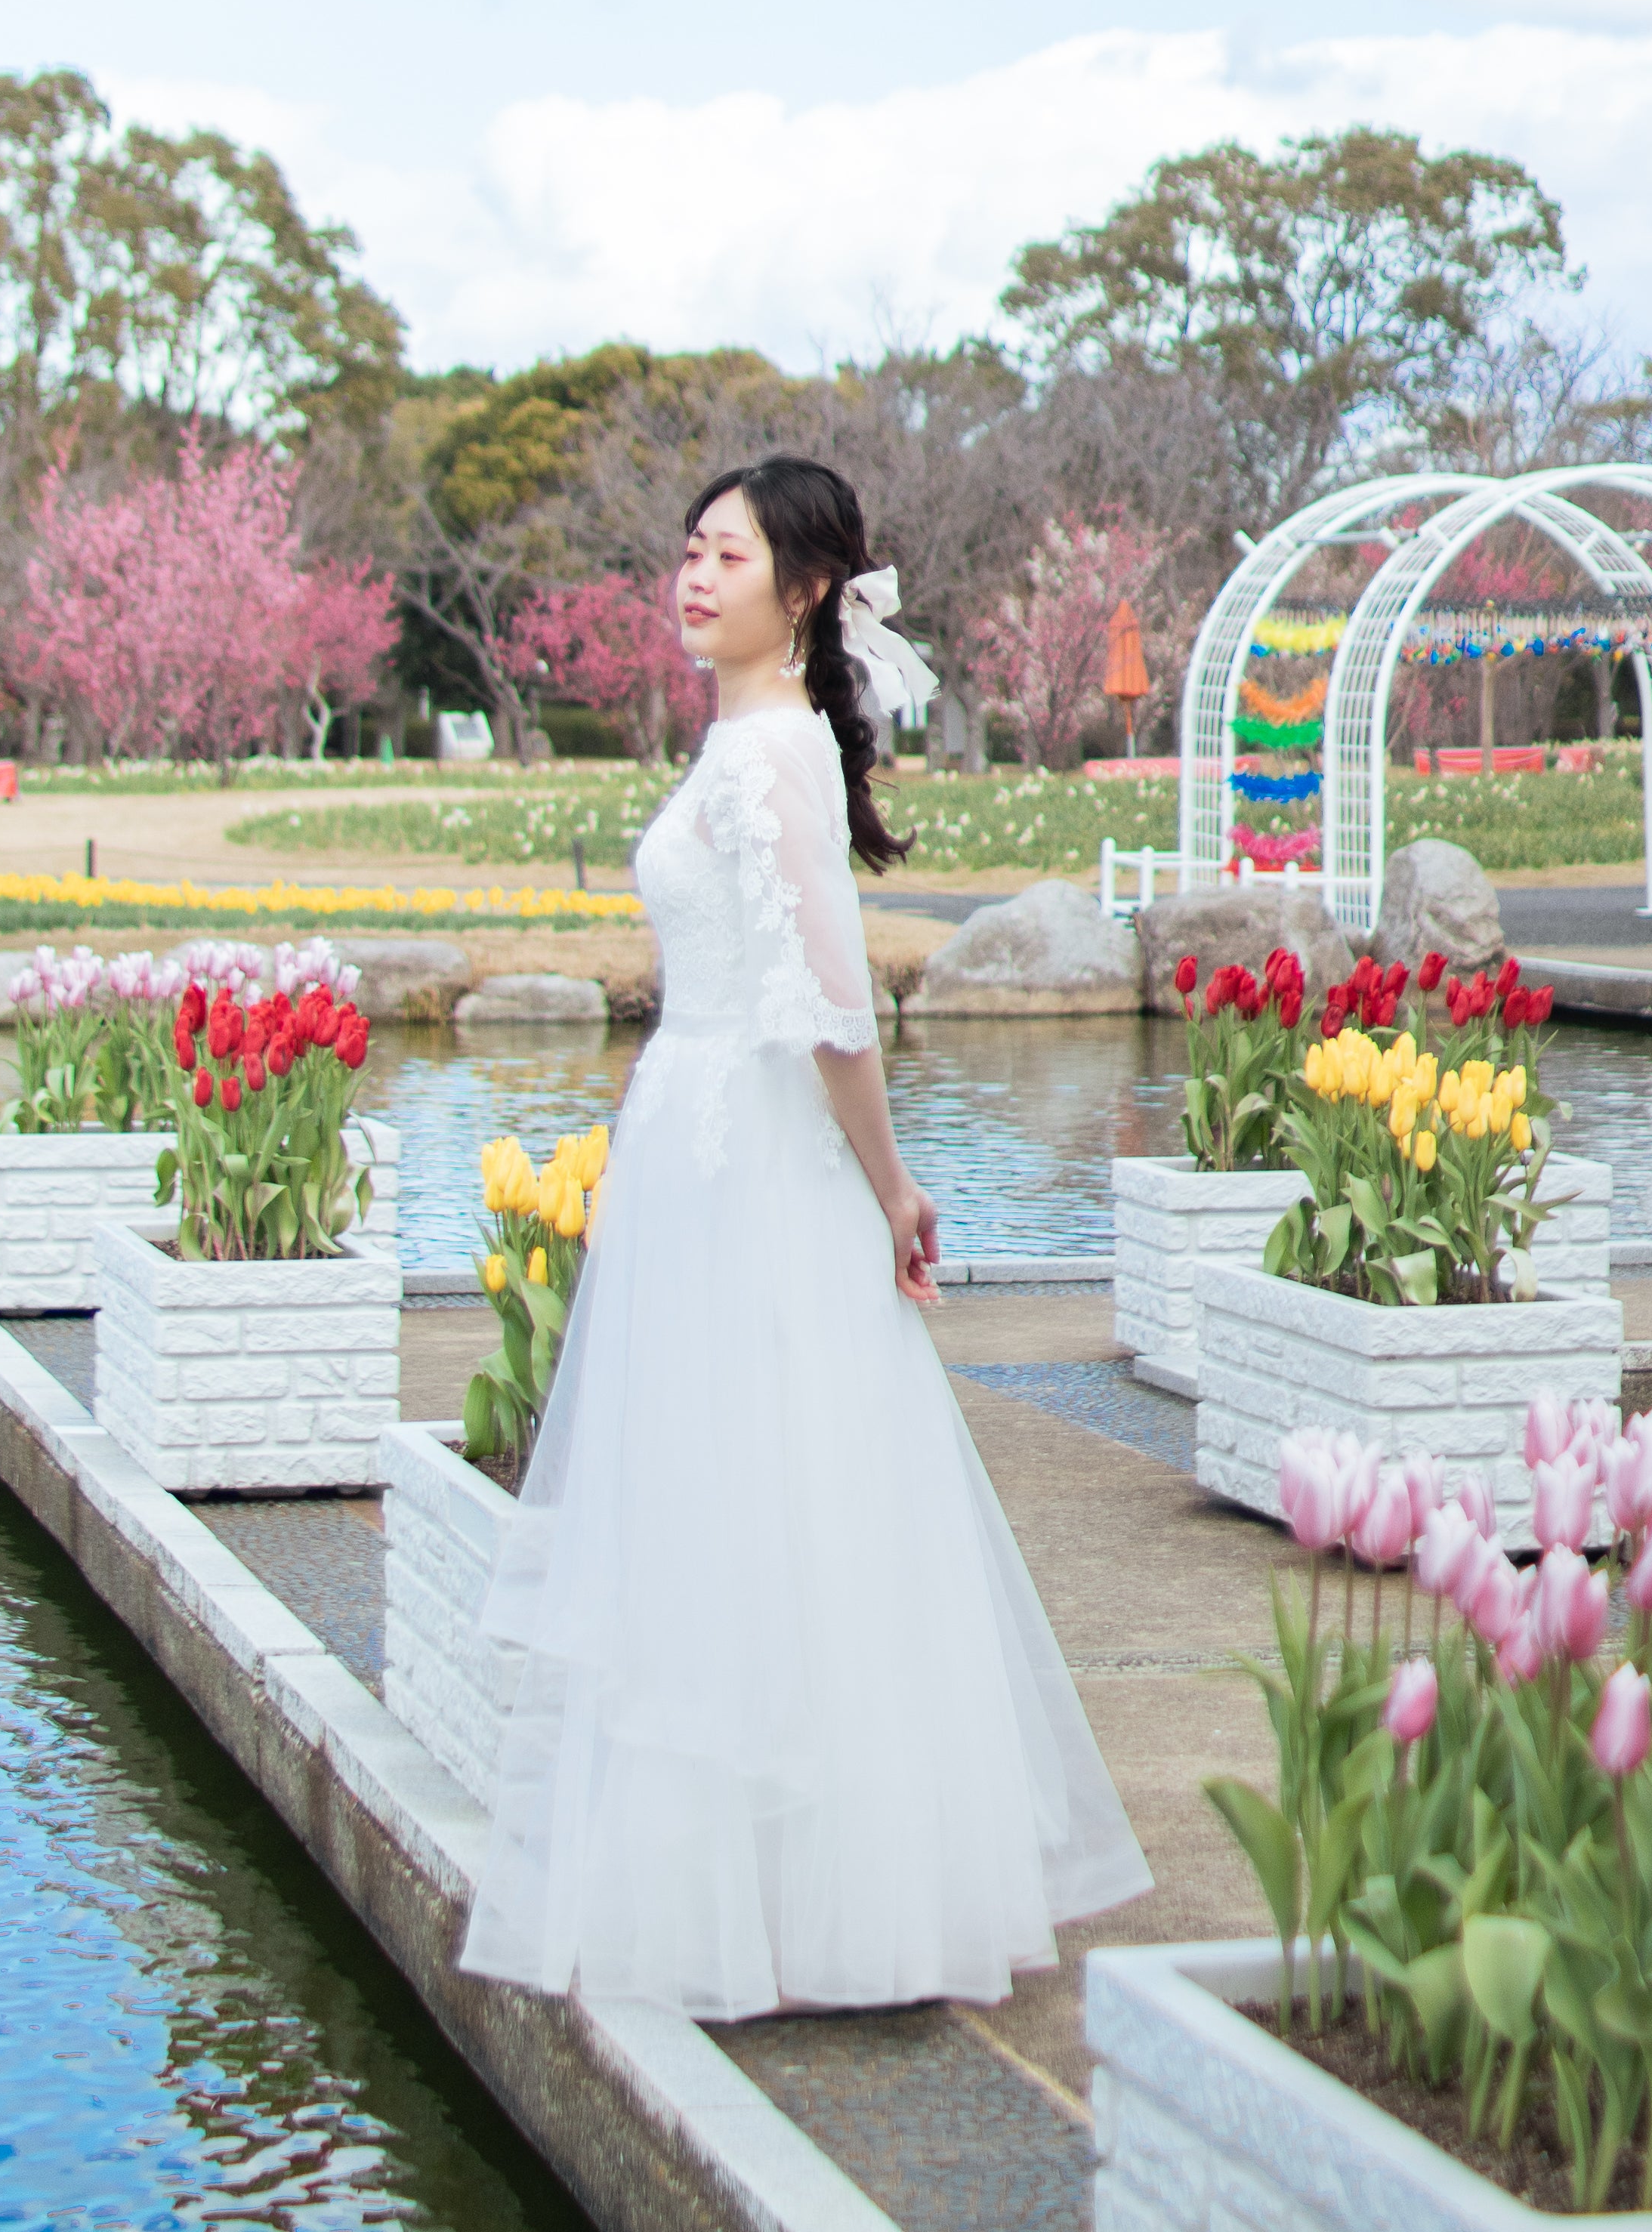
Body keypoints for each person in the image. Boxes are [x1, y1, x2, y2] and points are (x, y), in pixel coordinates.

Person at [458, 453, 1149, 2018]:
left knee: (780, 1487)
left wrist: (889, 1186)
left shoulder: (775, 759)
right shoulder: (736, 747)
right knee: (725, 1487)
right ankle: (745, 1893)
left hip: (758, 1156)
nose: (693, 577)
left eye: (726, 555)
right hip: (702, 1139)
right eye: (687, 551)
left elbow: (835, 1004)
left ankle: (805, 1899)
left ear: (804, 588)